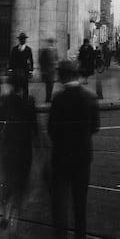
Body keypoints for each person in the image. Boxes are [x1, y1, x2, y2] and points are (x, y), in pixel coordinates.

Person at [48, 59, 100, 239]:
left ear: (62, 76)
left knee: (60, 203)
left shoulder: (58, 99)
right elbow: (95, 127)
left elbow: (51, 130)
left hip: (61, 157)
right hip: (82, 157)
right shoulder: (90, 97)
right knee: (80, 203)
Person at [0, 76, 37, 234]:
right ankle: (14, 220)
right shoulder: (29, 103)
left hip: (8, 151)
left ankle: (4, 213)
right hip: (23, 152)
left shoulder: (5, 102)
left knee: (7, 182)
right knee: (19, 187)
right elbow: (34, 131)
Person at [8, 33, 34, 99]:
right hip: (16, 70)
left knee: (25, 86)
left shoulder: (28, 49)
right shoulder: (15, 49)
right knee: (16, 86)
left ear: (25, 40)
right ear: (19, 40)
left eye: (24, 39)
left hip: (25, 70)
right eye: (21, 39)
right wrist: (10, 69)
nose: (22, 40)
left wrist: (31, 71)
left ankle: (25, 100)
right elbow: (11, 59)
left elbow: (31, 60)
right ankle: (16, 101)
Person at [39, 38, 59, 103]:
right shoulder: (45, 51)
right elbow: (41, 61)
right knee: (48, 85)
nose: (51, 44)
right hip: (47, 70)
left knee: (51, 85)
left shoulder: (55, 50)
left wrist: (56, 65)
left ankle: (49, 98)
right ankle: (48, 98)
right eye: (50, 42)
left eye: (52, 42)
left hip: (52, 70)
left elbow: (56, 58)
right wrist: (43, 70)